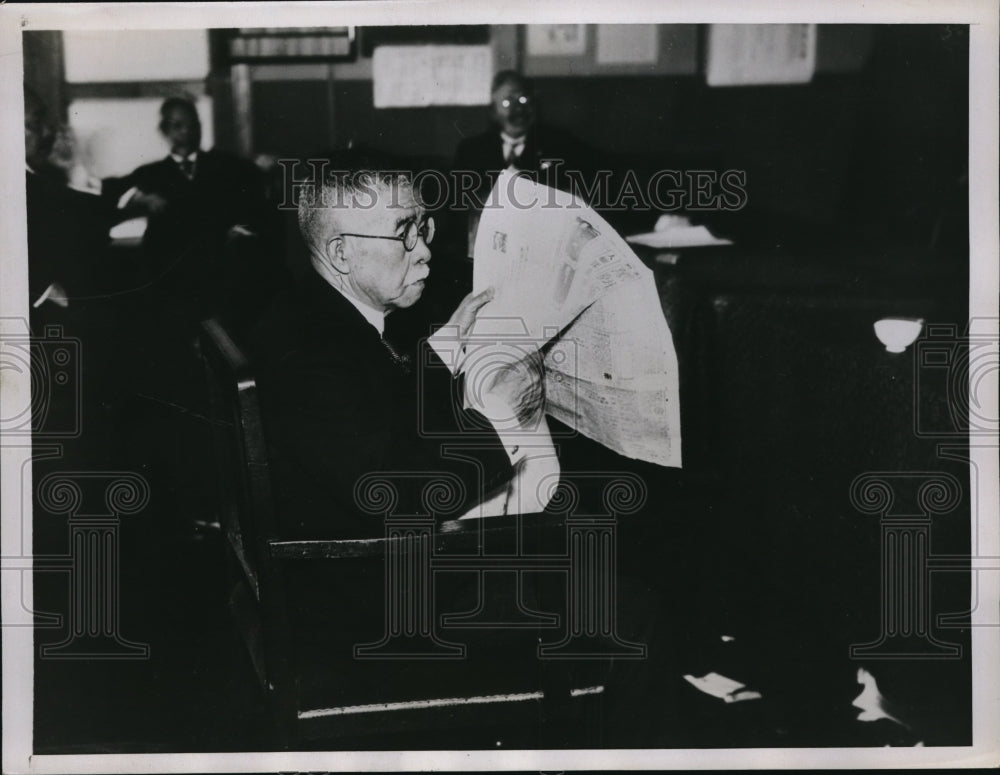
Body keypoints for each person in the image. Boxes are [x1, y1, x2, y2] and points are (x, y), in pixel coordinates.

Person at [251, 151, 556, 539]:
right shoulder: (307, 358)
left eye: (422, 226)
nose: (424, 251)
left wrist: (448, 342)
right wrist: (503, 416)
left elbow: (388, 412)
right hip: (364, 578)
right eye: (403, 234)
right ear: (341, 253)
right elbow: (393, 496)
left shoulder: (317, 311)